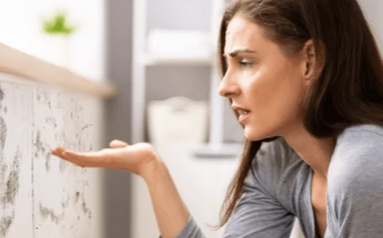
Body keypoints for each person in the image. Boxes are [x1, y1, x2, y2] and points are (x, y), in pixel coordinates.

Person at [52, 0, 383, 237]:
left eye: (247, 62)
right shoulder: (279, 163)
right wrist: (151, 169)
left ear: (311, 60)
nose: (225, 87)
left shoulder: (367, 168)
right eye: (228, 65)